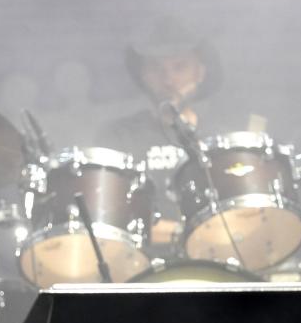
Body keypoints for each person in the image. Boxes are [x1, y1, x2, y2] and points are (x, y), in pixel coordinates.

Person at [93, 16, 233, 248]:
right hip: (139, 270)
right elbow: (105, 216)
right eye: (157, 69)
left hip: (214, 263)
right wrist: (186, 234)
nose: (168, 79)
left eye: (179, 67)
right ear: (144, 76)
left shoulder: (223, 142)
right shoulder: (117, 137)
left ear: (200, 73)